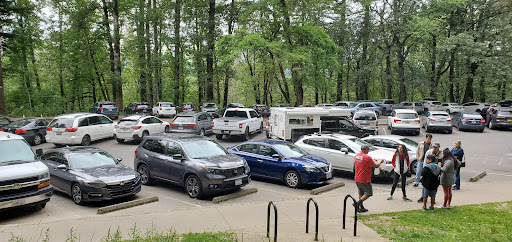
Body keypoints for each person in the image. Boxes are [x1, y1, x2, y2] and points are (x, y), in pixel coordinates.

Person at [354, 144, 384, 213]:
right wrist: (380, 162)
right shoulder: (367, 157)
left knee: (361, 192)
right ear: (366, 150)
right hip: (364, 178)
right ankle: (357, 203)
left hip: (357, 177)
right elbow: (376, 166)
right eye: (368, 150)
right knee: (368, 192)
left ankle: (361, 207)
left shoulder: (356, 156)